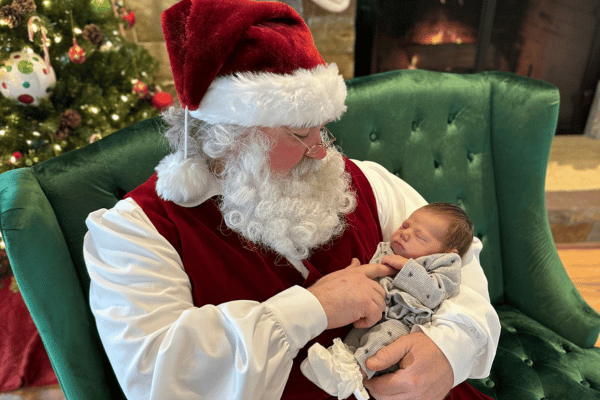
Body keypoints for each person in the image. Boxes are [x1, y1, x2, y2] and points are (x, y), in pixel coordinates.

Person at [82, 0, 501, 399]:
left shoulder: (362, 179)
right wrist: (311, 308)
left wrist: (448, 349)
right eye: (300, 134)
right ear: (229, 135)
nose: (322, 151)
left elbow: (457, 255)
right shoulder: (135, 233)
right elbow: (155, 376)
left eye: (322, 128)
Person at [301, 203, 474, 400]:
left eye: (420, 236)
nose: (405, 234)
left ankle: (355, 373)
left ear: (445, 253)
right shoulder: (387, 249)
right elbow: (371, 271)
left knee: (381, 338)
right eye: (405, 226)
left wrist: (406, 268)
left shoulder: (445, 265)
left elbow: (434, 295)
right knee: (356, 335)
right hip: (377, 312)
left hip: (405, 323)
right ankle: (337, 364)